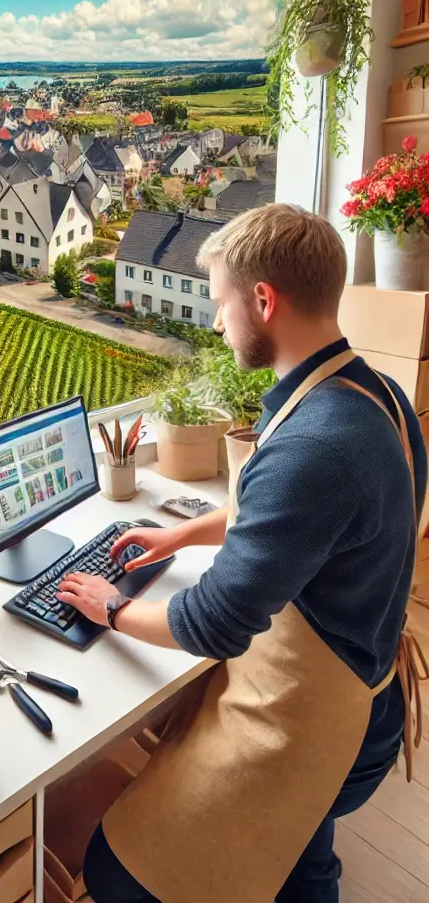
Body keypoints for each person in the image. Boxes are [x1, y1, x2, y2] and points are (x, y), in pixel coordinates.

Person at [56, 204, 428, 903]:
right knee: (299, 859)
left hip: (324, 731)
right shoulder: (371, 393)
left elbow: (212, 623)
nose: (217, 321)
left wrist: (111, 607)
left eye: (221, 302)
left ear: (264, 300)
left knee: (114, 871)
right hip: (371, 698)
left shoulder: (313, 445)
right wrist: (182, 534)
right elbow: (306, 517)